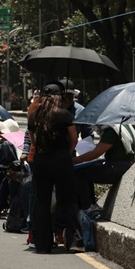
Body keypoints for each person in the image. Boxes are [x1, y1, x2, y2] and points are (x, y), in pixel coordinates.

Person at [28, 82, 81, 253]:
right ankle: (73, 240)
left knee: (42, 202)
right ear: (58, 97)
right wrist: (66, 153)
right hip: (61, 159)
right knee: (68, 200)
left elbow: (33, 140)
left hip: (41, 160)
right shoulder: (64, 115)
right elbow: (74, 140)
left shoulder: (34, 116)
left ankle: (42, 243)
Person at [73, 124, 135, 211]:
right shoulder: (125, 127)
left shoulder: (112, 131)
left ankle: (87, 207)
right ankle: (91, 204)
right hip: (124, 166)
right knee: (88, 171)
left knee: (79, 175)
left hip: (115, 168)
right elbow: (103, 146)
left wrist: (73, 160)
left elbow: (96, 153)